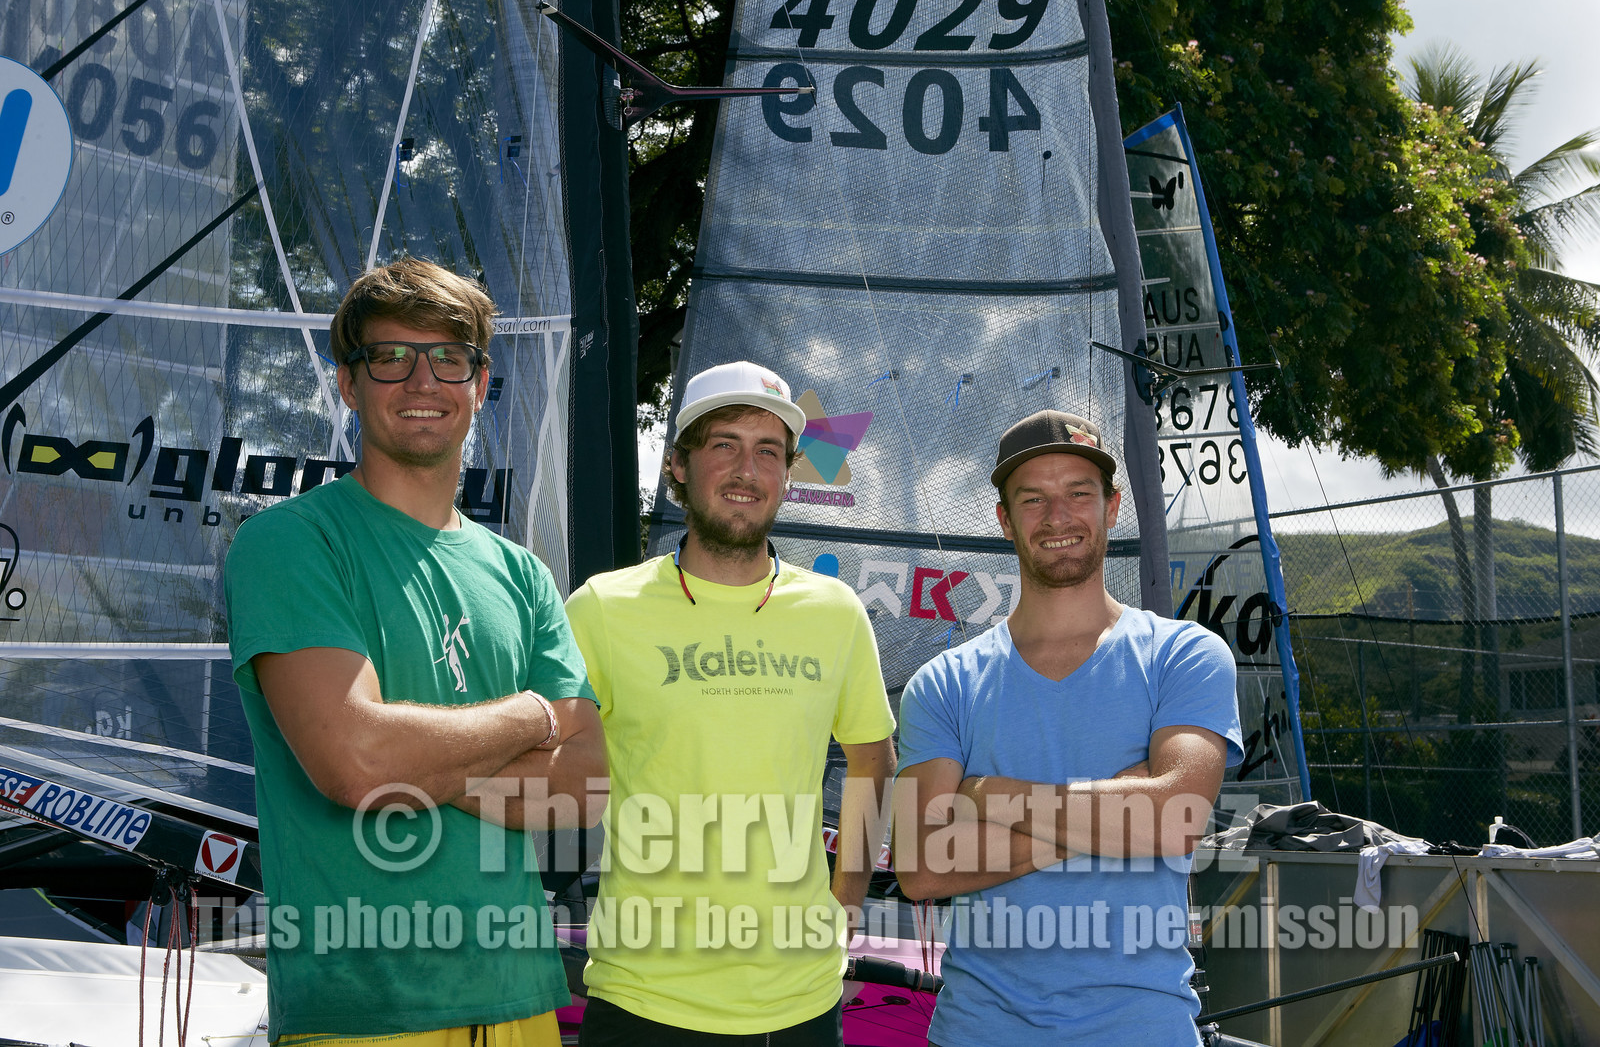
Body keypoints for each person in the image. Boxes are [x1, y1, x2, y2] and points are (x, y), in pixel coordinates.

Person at [224, 257, 605, 1045]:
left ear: (479, 380)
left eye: (449, 358)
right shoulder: (289, 543)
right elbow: (356, 765)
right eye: (391, 357)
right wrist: (533, 715)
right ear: (348, 382)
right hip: (362, 1007)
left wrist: (414, 761)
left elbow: (584, 786)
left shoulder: (523, 574)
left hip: (519, 997)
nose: (422, 380)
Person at [564, 361, 897, 1046]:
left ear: (785, 474)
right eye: (724, 446)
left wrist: (845, 907)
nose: (748, 469)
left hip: (799, 1006)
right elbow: (542, 771)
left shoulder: (834, 612)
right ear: (678, 467)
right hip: (640, 998)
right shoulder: (600, 608)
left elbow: (873, 761)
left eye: (768, 451)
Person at [891, 410, 1243, 1047]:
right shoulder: (944, 684)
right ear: (1005, 519)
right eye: (1034, 498)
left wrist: (986, 795)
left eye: (1078, 493)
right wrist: (1122, 811)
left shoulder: (1183, 655)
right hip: (978, 1032)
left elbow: (1176, 816)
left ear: (1111, 509)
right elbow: (923, 866)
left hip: (1143, 1031)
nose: (1058, 517)